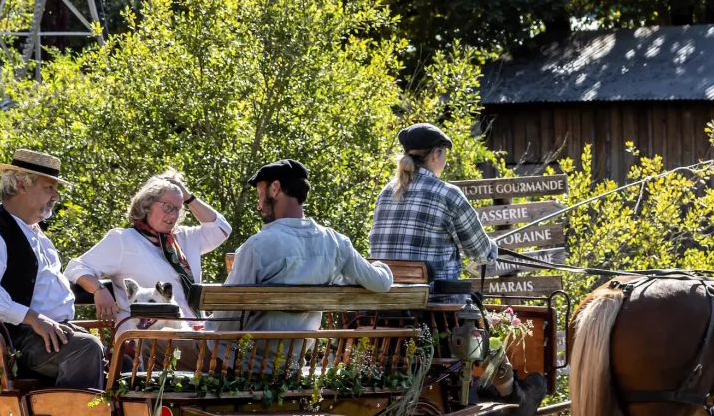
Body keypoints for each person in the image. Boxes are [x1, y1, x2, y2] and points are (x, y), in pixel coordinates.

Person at [0, 148, 105, 389]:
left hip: (51, 335)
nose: (56, 196)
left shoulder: (35, 233)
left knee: (126, 361)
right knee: (85, 349)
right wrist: (33, 318)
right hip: (17, 341)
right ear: (21, 185)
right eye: (49, 188)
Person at [219, 158, 393, 331]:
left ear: (275, 188)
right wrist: (379, 266)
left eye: (260, 195)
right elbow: (381, 283)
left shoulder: (257, 246)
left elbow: (225, 319)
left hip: (249, 356)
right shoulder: (335, 243)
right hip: (298, 354)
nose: (258, 206)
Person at [66, 171, 231, 333]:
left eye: (177, 209)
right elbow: (76, 268)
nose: (173, 215)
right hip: (146, 341)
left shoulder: (182, 238)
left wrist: (188, 197)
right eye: (167, 207)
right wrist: (99, 290)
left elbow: (221, 229)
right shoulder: (124, 240)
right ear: (147, 204)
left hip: (190, 334)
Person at [370, 123, 499, 288]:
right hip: (433, 305)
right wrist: (492, 247)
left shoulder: (386, 193)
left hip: (388, 302)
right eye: (444, 154)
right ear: (436, 154)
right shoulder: (448, 194)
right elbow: (481, 253)